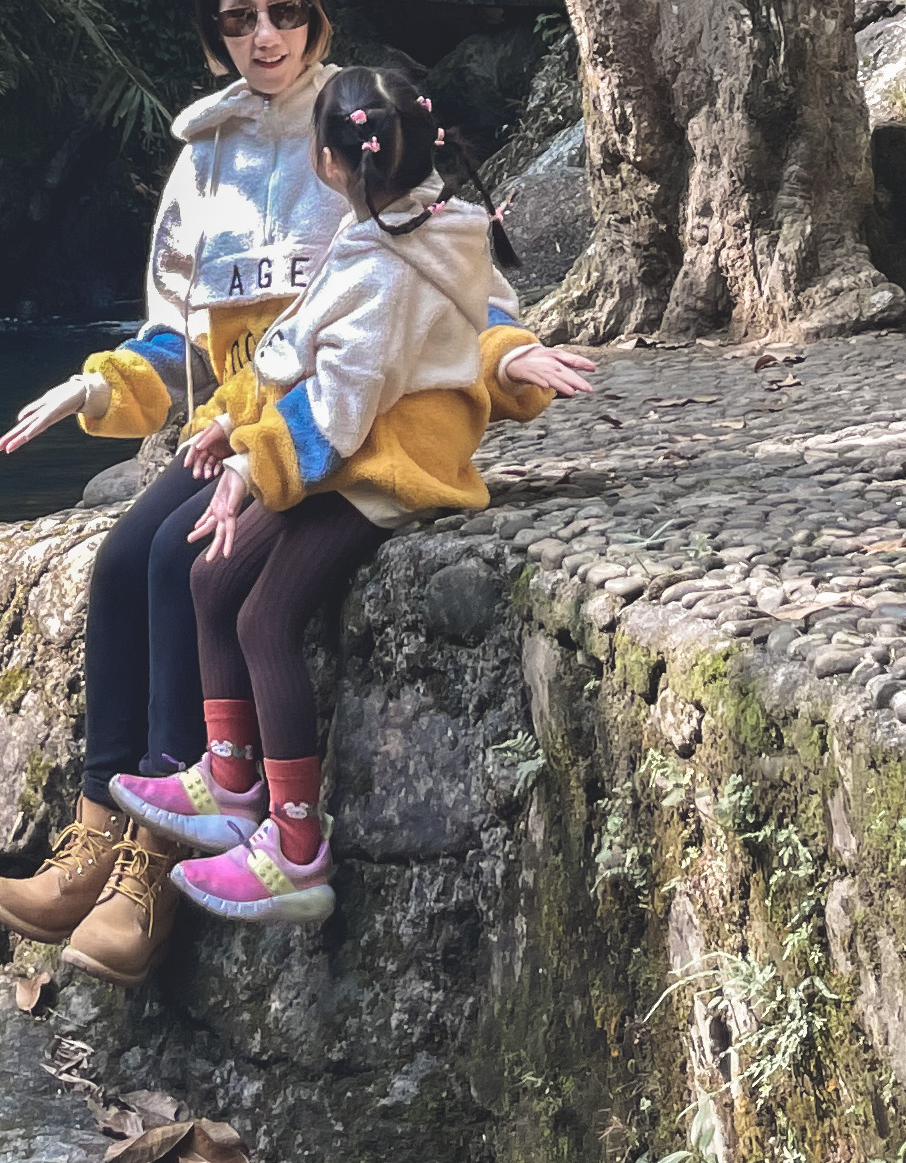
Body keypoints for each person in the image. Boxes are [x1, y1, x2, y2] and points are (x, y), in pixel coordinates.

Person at [0, 0, 564, 984]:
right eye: (240, 18)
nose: (265, 36)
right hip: (242, 421)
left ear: (317, 19)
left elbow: (451, 302)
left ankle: (150, 870)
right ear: (215, 37)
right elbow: (183, 342)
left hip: (323, 436)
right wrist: (97, 387)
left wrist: (514, 355)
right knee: (121, 562)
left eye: (284, 12)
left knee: (181, 566)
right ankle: (96, 832)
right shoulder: (203, 160)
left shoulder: (367, 125)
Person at [124, 57, 598, 932]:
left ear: (330, 164)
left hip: (389, 469)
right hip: (357, 447)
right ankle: (230, 781)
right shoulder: (422, 224)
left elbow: (338, 412)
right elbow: (368, 337)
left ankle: (296, 849)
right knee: (210, 580)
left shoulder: (384, 261)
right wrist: (237, 420)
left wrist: (246, 467)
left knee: (266, 615)